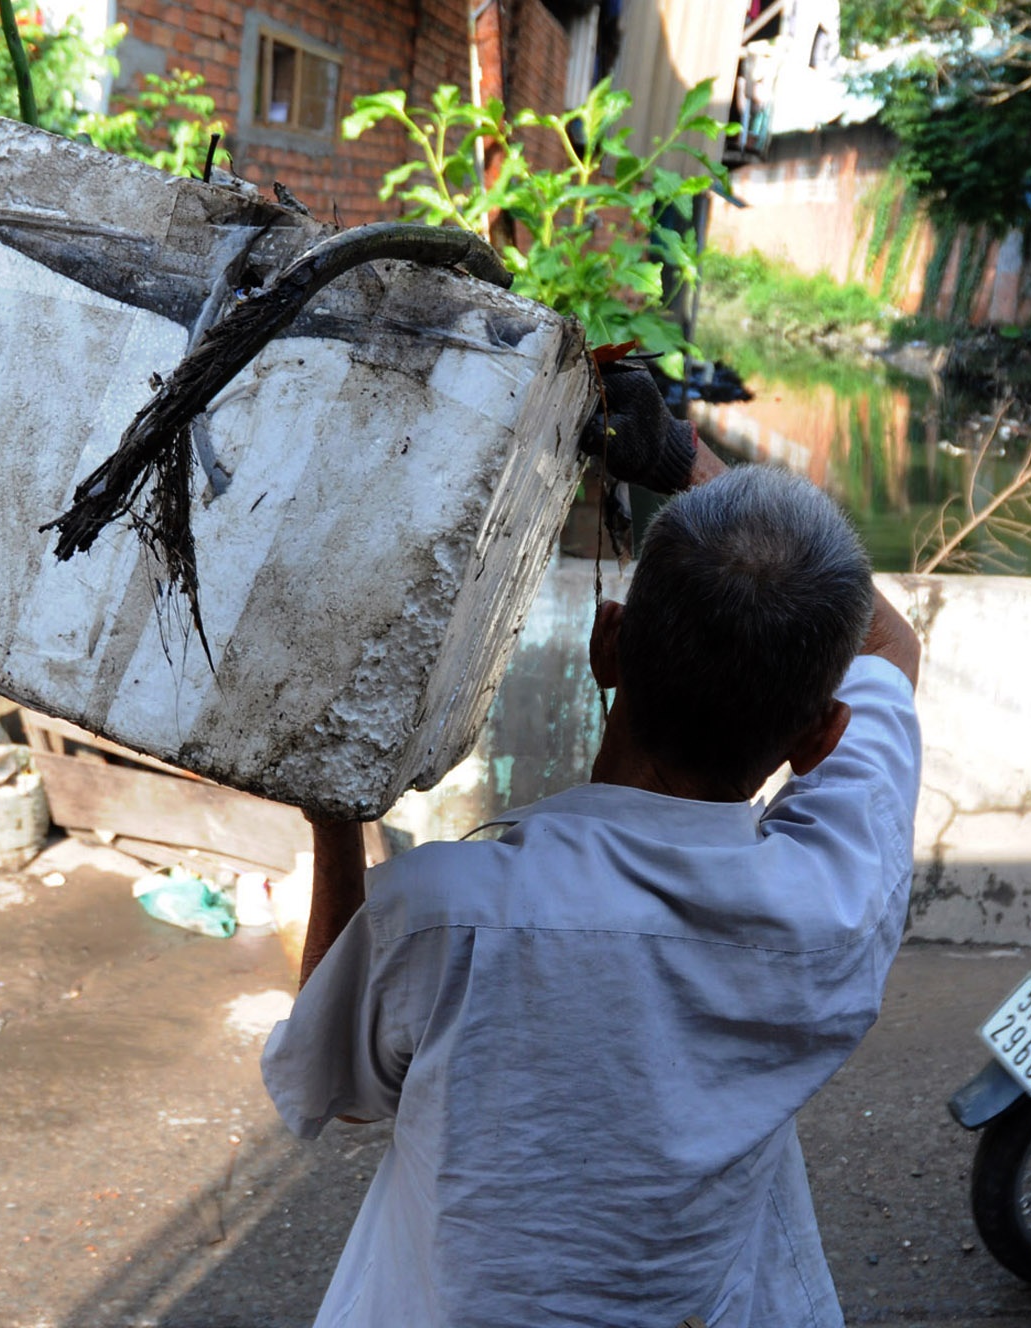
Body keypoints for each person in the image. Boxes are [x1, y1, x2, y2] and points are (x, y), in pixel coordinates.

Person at [260, 363, 923, 1327]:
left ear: (606, 644)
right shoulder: (835, 905)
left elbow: (341, 1086)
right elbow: (891, 651)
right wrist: (679, 454)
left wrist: (332, 813)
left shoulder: (445, 911)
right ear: (823, 736)